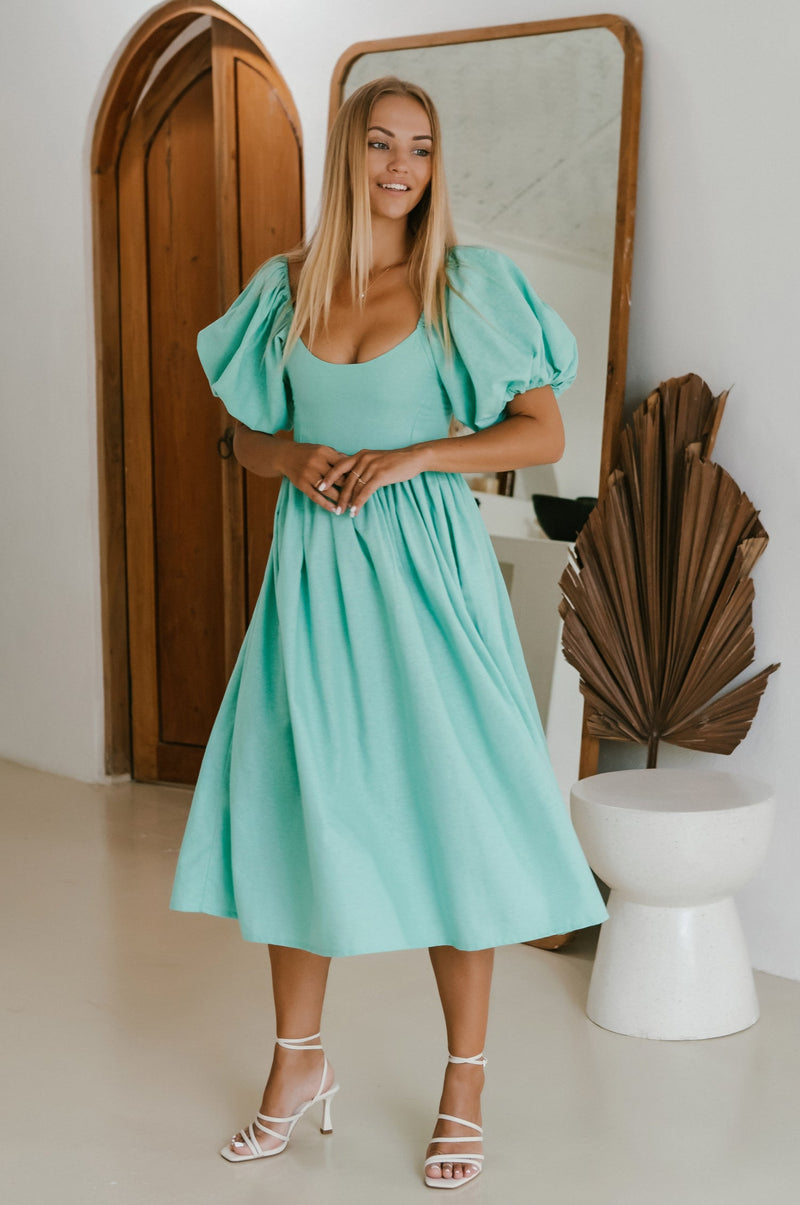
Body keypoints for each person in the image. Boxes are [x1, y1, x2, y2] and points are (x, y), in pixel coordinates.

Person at [170, 76, 607, 1189]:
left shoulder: (464, 284)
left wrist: (414, 454)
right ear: (346, 156)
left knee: (447, 808)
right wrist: (292, 457)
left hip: (426, 575)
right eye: (379, 144)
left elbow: (540, 423)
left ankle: (463, 1079)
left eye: (418, 148)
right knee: (298, 802)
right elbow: (245, 440)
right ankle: (297, 1065)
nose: (399, 167)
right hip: (313, 576)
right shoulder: (284, 291)